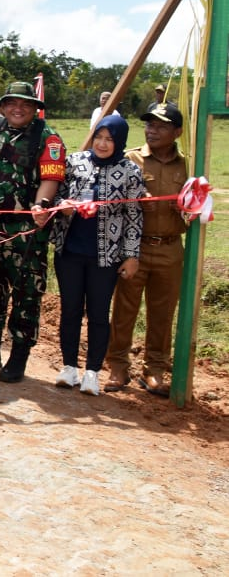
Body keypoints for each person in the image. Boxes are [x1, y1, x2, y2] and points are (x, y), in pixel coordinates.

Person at [0, 82, 65, 382]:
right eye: (11, 103)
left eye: (25, 104)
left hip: (27, 231)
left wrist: (41, 205)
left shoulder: (47, 138)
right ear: (3, 106)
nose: (17, 109)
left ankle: (19, 356)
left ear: (35, 108)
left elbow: (51, 177)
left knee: (26, 292)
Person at [49, 115, 144, 396]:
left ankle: (92, 372)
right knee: (70, 311)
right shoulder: (75, 161)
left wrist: (131, 255)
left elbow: (135, 216)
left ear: (119, 141)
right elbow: (57, 195)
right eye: (99, 137)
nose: (102, 144)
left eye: (109, 139)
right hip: (70, 251)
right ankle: (69, 367)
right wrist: (61, 206)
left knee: (99, 314)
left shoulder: (130, 171)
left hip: (106, 256)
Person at [106, 102, 189, 395]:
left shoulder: (188, 165)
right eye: (149, 124)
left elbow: (197, 204)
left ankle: (155, 370)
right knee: (125, 309)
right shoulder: (131, 160)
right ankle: (117, 366)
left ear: (177, 132)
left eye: (161, 126)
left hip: (170, 248)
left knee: (162, 312)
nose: (152, 130)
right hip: (134, 248)